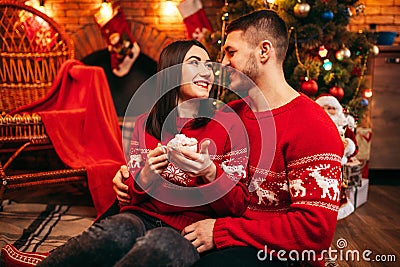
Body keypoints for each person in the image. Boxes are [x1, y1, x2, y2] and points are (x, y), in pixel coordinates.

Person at [113, 10, 344, 267]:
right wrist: (127, 179)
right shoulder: (229, 114)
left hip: (276, 253)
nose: (220, 64)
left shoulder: (313, 125)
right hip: (225, 232)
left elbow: (315, 231)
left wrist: (222, 231)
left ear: (264, 51)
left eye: (230, 52)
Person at [36, 39, 250, 267]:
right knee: (115, 231)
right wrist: (147, 174)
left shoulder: (229, 125)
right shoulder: (144, 124)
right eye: (195, 63)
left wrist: (209, 172)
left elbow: (237, 205)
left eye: (208, 65)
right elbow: (129, 196)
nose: (206, 72)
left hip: (188, 231)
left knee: (161, 244)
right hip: (141, 216)